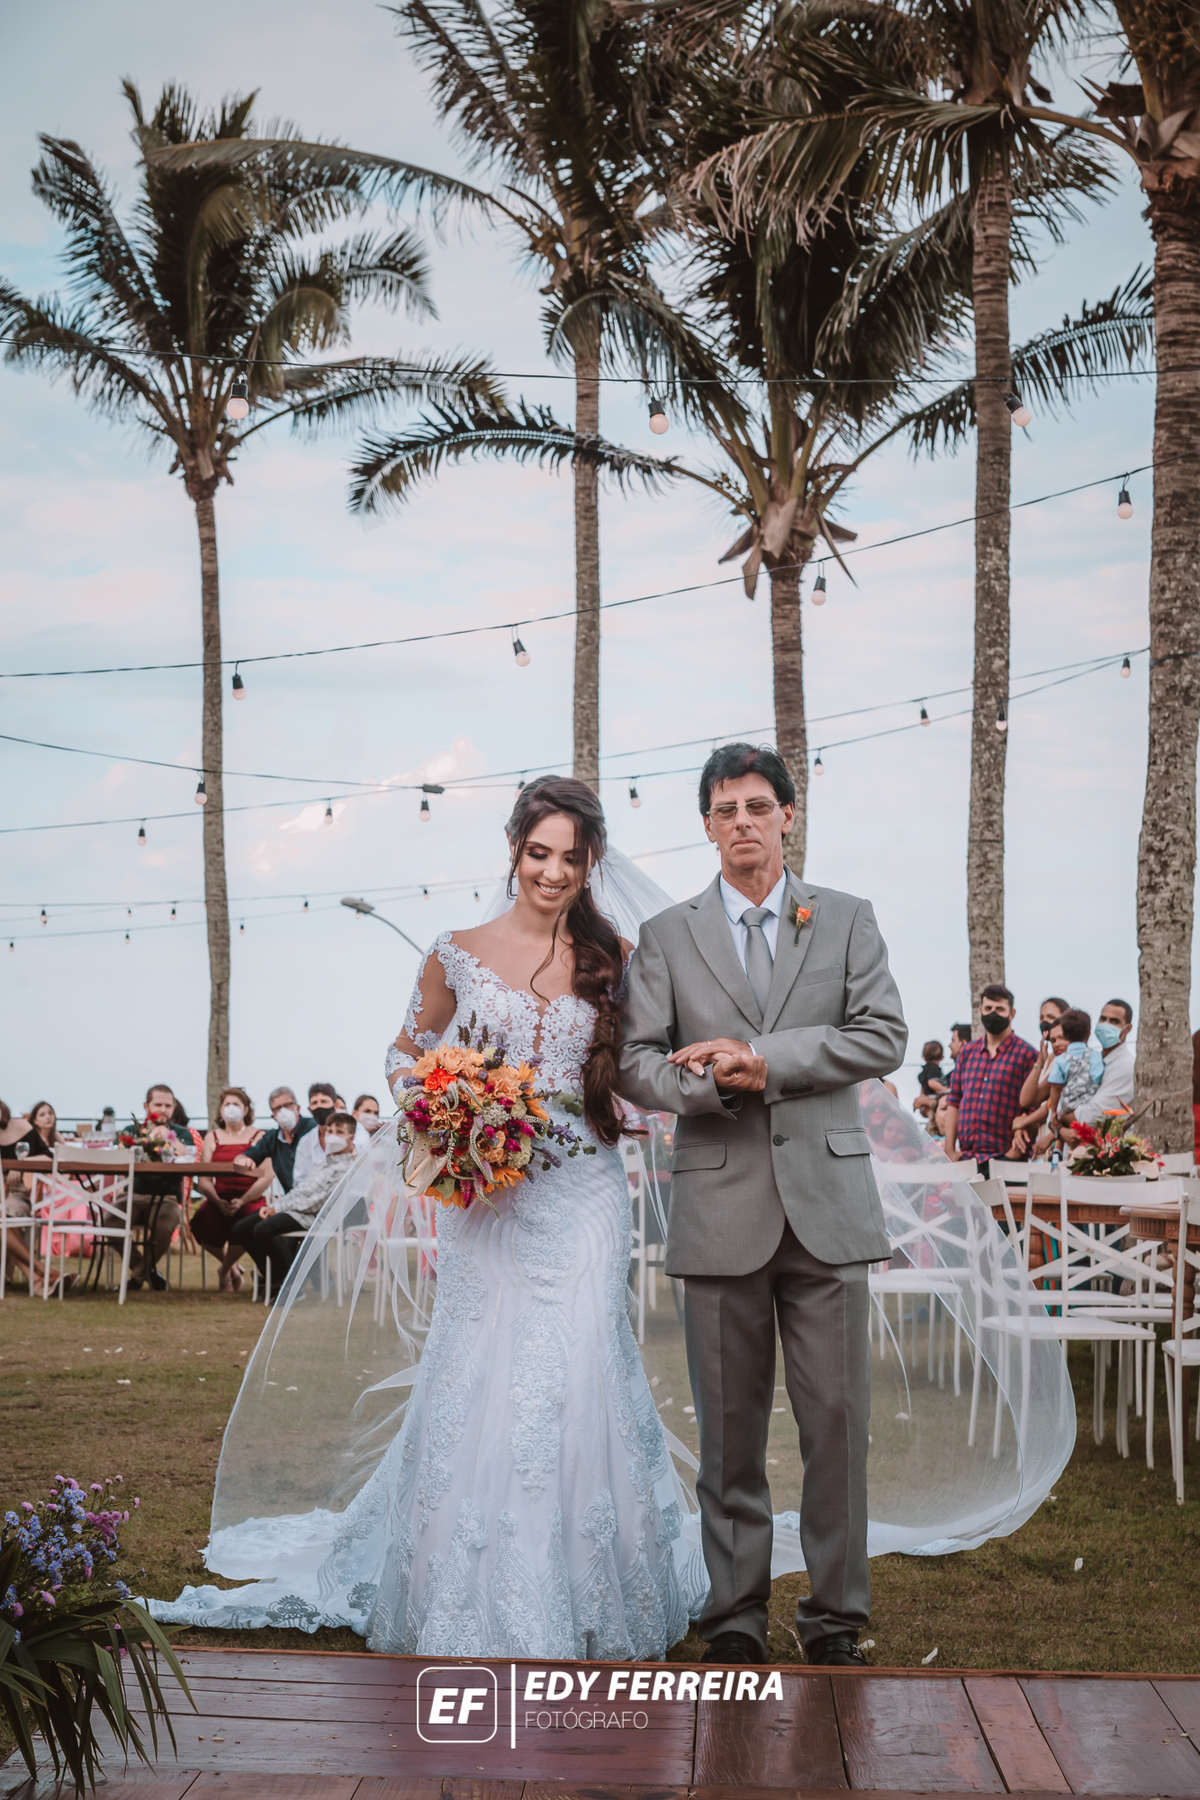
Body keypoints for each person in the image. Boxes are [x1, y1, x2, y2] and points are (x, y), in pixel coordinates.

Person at [619, 741, 907, 1669]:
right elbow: (635, 1061)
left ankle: (834, 1622)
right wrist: (710, 1086)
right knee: (729, 1437)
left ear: (790, 815)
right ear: (706, 825)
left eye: (758, 805)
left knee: (835, 1429)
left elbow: (883, 1033)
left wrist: (766, 1061)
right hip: (718, 1213)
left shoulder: (850, 920)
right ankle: (734, 1617)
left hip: (829, 1212)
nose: (742, 821)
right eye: (724, 808)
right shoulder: (667, 936)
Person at [231, 1110, 358, 1288]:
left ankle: (289, 1283)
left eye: (339, 1132)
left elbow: (319, 1202)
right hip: (294, 1209)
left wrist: (278, 1208)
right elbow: (302, 1190)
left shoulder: (349, 1167)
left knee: (262, 1229)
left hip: (312, 1217)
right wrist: (277, 1205)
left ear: (351, 1138)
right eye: (329, 1131)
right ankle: (275, 1276)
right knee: (242, 1228)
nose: (332, 1136)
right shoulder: (325, 1162)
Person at [943, 984, 1037, 1169]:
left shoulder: (1027, 1054)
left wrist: (1014, 1153)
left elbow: (1033, 1108)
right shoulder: (967, 1053)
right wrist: (949, 1150)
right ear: (980, 1010)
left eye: (1000, 1009)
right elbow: (954, 1101)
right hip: (967, 1158)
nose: (993, 1013)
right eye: (988, 1008)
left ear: (1012, 1013)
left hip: (1007, 1158)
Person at [191, 1088, 266, 1291]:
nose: (231, 1109)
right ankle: (232, 1266)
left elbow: (267, 1176)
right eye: (227, 1104)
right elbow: (204, 1178)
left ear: (246, 1110)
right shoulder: (212, 1138)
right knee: (200, 1222)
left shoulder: (259, 1136)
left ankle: (224, 1271)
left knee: (249, 1223)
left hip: (250, 1198)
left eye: (236, 1105)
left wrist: (243, 1200)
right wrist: (216, 1200)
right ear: (220, 1109)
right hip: (219, 1199)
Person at [127, 1084, 189, 1291]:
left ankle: (137, 1277)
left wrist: (167, 1139)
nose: (163, 1109)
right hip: (132, 1197)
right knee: (108, 1221)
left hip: (167, 1199)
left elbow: (188, 1157)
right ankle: (146, 1271)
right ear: (146, 1106)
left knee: (166, 1225)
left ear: (174, 1108)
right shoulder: (130, 1132)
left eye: (168, 1105)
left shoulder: (182, 1133)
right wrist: (147, 1139)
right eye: (158, 1104)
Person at [1067, 1000, 1136, 1134]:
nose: (1106, 1025)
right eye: (1103, 1019)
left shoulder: (1126, 1066)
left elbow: (1093, 1116)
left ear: (1128, 1028)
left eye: (1114, 1021)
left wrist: (1061, 1117)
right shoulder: (1089, 1059)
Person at [1011, 997, 1070, 1154]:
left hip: (1056, 1135)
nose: (1045, 1022)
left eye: (1051, 1017)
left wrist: (1023, 1122)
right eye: (1041, 1018)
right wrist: (1039, 1063)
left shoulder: (1066, 1058)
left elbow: (1050, 1101)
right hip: (1042, 1133)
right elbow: (1026, 1100)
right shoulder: (1049, 1057)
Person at [233, 1086, 315, 1195]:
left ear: (298, 1108)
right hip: (292, 1201)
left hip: (317, 1197)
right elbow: (247, 1155)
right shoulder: (272, 1138)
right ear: (273, 1116)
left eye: (287, 1105)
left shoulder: (313, 1129)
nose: (283, 1111)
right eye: (278, 1108)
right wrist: (244, 1159)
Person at [1046, 1008, 1102, 1133]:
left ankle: (1057, 1151)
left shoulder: (1061, 1060)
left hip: (1068, 1106)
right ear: (1088, 1034)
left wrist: (1053, 1111)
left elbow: (1055, 1086)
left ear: (1065, 1035)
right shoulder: (1096, 1055)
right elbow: (1098, 1078)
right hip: (1089, 1105)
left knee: (1060, 1124)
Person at [289, 1082, 342, 1186]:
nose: (319, 1106)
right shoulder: (305, 1143)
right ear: (310, 1109)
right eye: (314, 1103)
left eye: (324, 1101)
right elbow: (299, 1180)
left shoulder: (353, 1134)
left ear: (335, 1105)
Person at [912, 1041, 947, 1118]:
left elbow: (923, 1089)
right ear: (942, 1057)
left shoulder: (924, 1071)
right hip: (933, 1097)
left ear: (923, 1056)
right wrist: (946, 1090)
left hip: (927, 1097)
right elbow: (932, 1083)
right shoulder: (934, 1069)